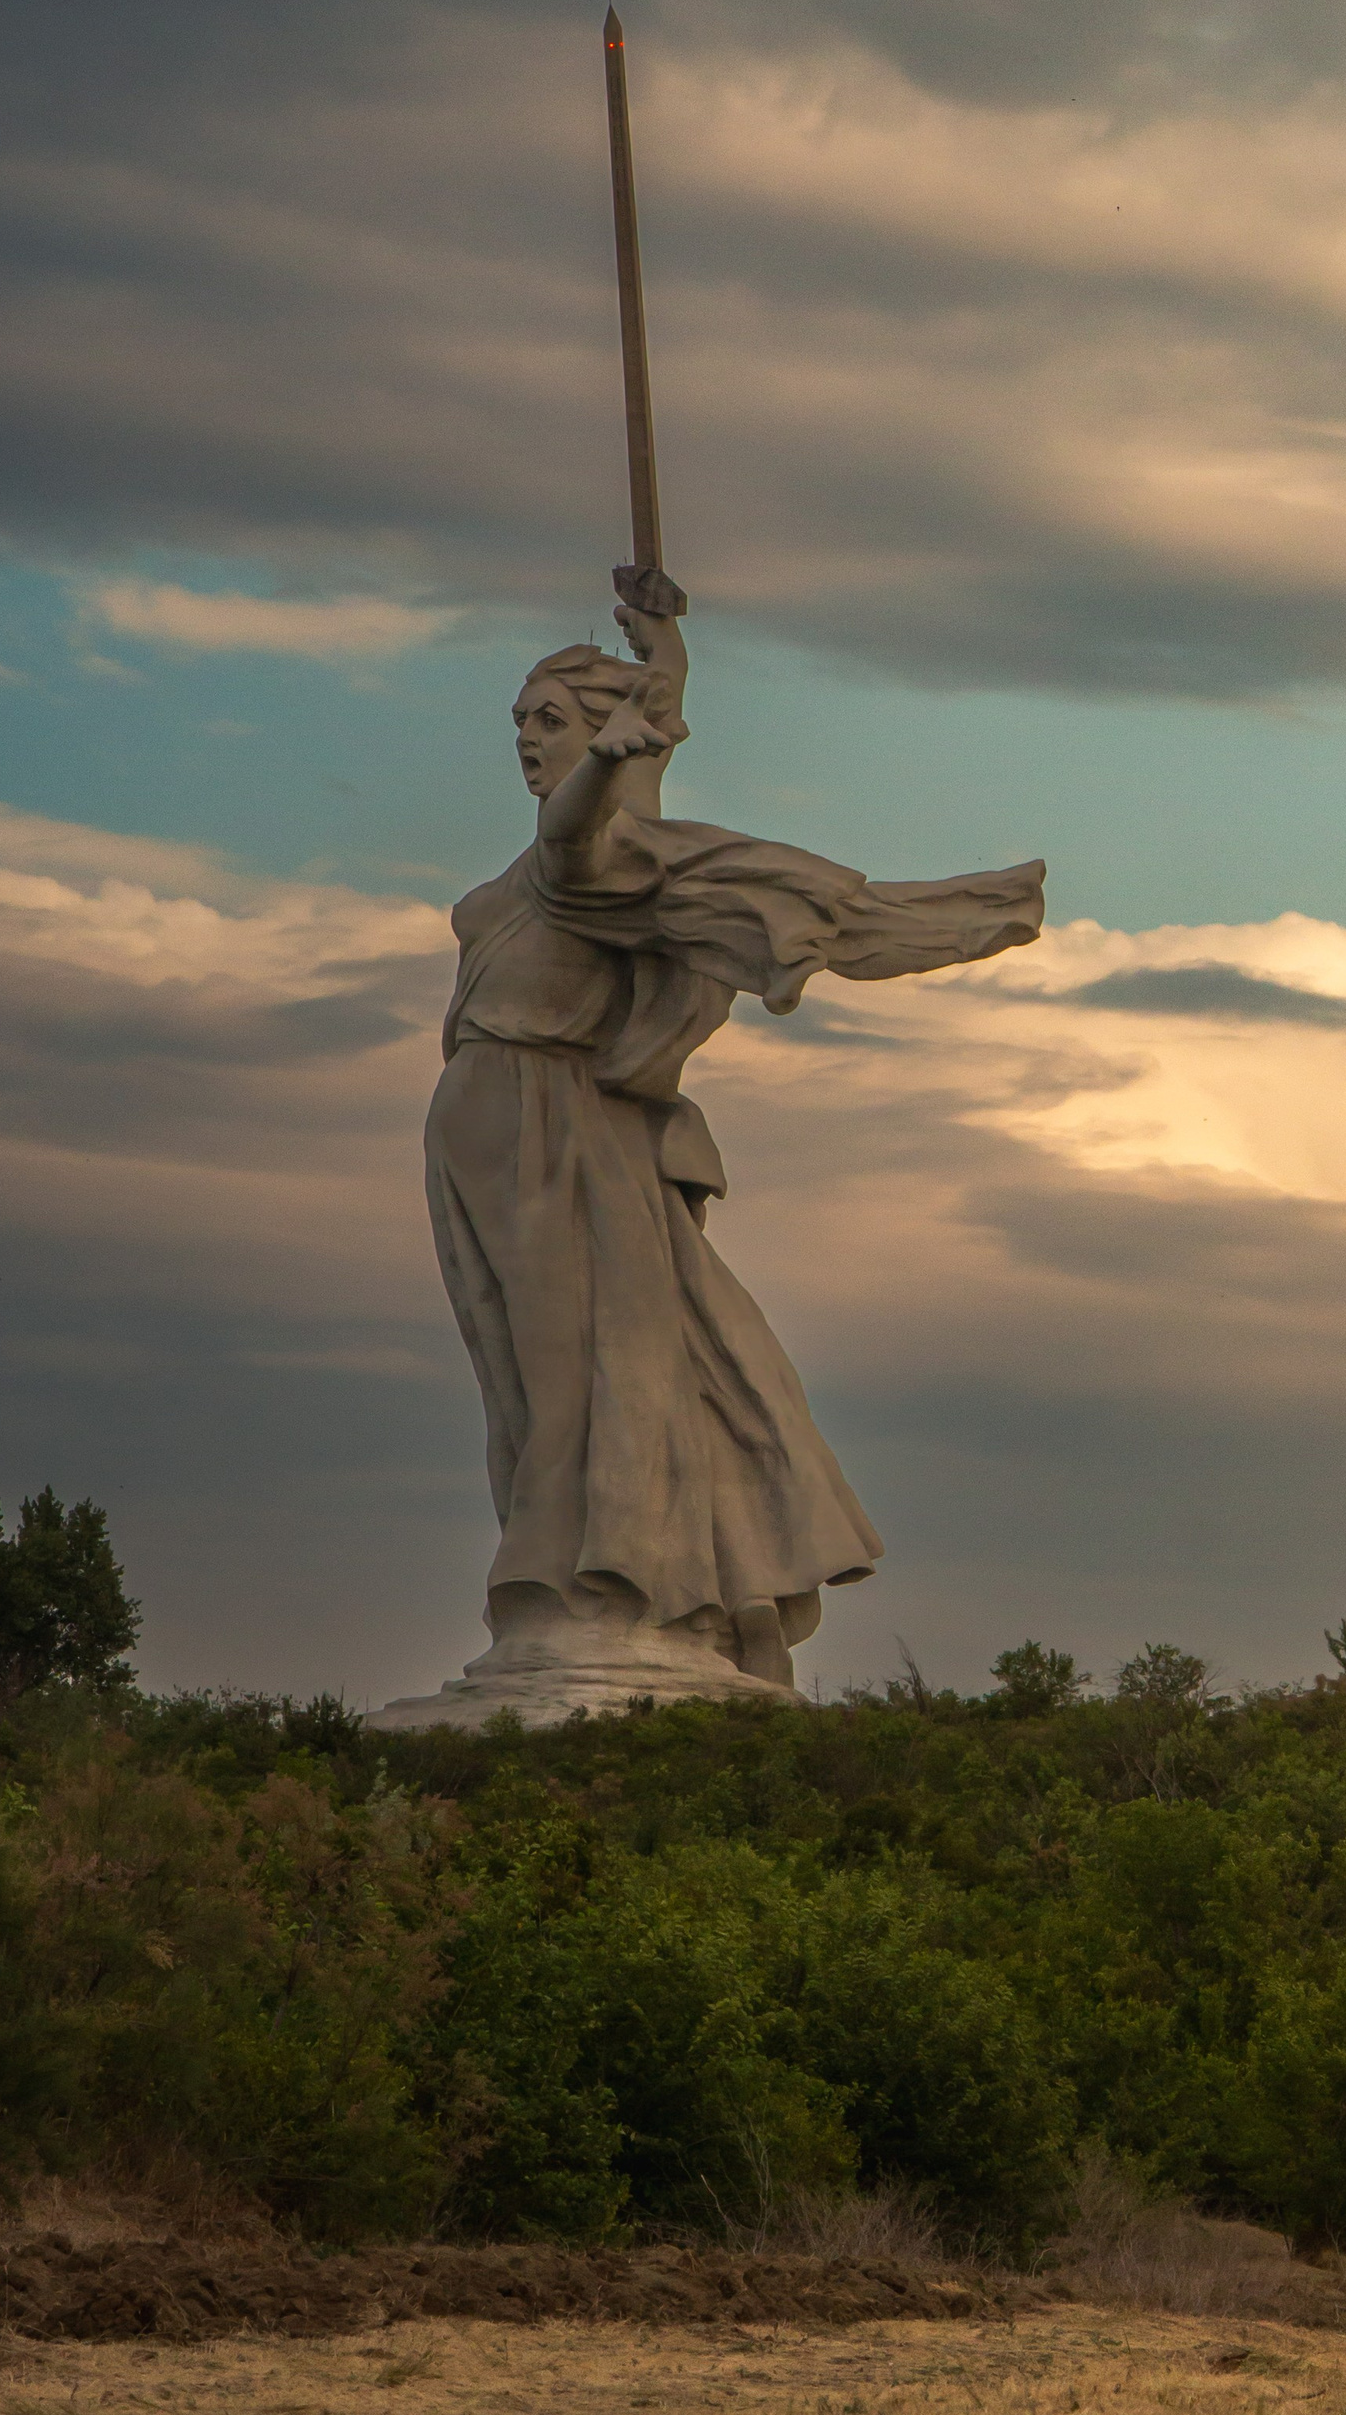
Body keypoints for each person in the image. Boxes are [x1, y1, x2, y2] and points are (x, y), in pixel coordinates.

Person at [407, 599, 1044, 1714]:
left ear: (597, 738)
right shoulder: (599, 839)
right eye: (520, 721)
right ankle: (598, 1589)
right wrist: (666, 660)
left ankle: (601, 1590)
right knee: (531, 1374)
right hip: (494, 1136)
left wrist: (617, 748)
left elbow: (580, 828)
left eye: (550, 720)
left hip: (559, 1127)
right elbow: (622, 776)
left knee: (589, 1366)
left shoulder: (588, 858)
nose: (527, 739)